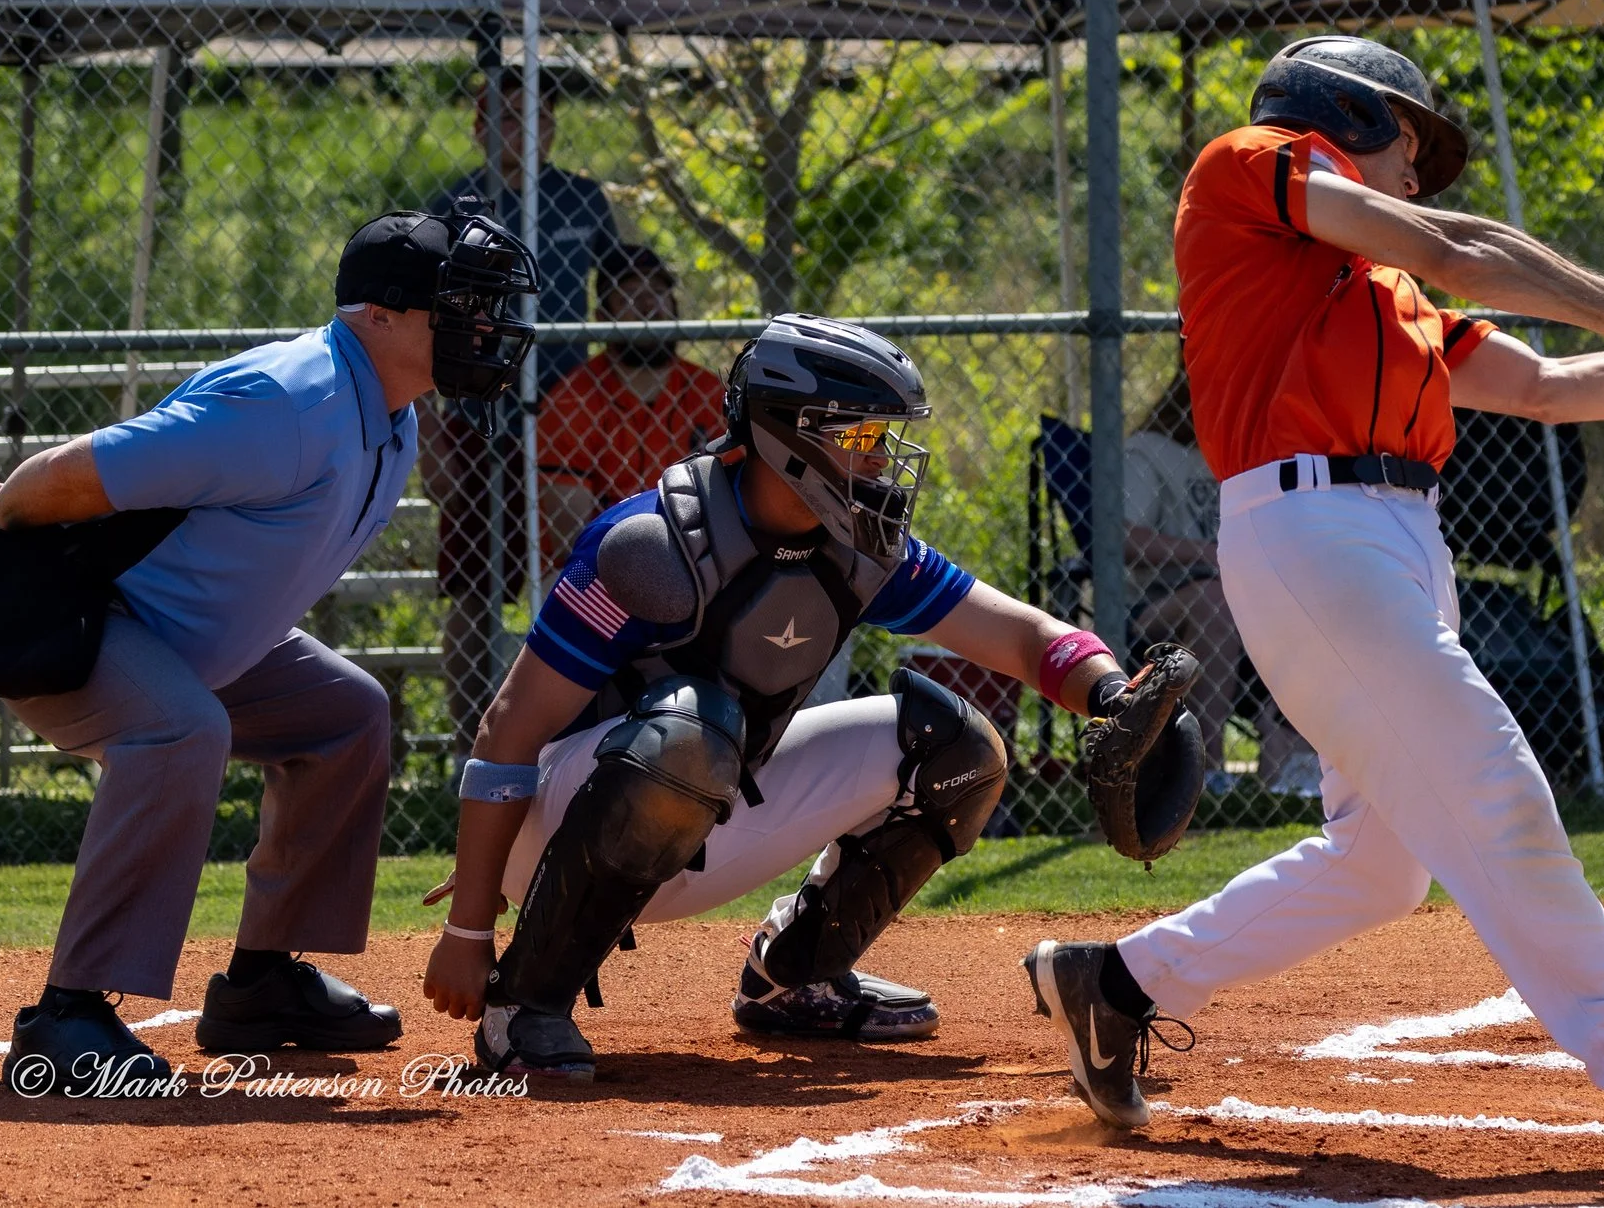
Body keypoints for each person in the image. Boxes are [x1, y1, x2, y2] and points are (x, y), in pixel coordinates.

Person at [1019, 35, 1604, 1171]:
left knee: (1378, 866)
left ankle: (1113, 983)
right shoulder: (1245, 166)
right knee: (1490, 779)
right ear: (1343, 115)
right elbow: (1459, 244)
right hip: (1307, 530)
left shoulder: (1389, 299)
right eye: (1409, 144)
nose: (1416, 177)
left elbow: (1551, 387)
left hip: (1399, 546)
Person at [419, 315, 1168, 1082]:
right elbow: (510, 729)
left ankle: (792, 974)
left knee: (960, 751)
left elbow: (1017, 636)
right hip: (555, 830)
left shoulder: (860, 544)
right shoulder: (656, 543)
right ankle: (528, 1003)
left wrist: (1112, 692)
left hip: (705, 791)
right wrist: (470, 927)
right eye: (862, 438)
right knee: (690, 733)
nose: (881, 461)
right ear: (789, 437)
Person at [0, 204, 541, 1094]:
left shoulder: (393, 416)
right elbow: (67, 475)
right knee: (182, 729)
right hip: (77, 629)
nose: (483, 328)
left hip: (189, 638)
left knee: (347, 715)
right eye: (460, 306)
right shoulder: (291, 402)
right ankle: (67, 1014)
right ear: (378, 315)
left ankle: (260, 986)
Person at [425, 69, 633, 752]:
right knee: (476, 588)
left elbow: (627, 289)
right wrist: (431, 433)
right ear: (480, 126)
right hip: (484, 422)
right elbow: (422, 324)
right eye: (508, 116)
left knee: (595, 581)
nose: (525, 130)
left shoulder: (582, 200)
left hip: (577, 426)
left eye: (538, 116)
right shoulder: (454, 207)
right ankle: (467, 745)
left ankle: (583, 736)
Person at [1122, 370, 1318, 794]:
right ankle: (1206, 765)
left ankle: (1294, 754)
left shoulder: (1238, 460)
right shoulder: (1147, 452)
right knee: (1217, 601)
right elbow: (1126, 539)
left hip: (1241, 595)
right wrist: (1211, 556)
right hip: (1154, 605)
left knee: (1310, 597)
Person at [536, 244, 729, 561]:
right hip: (598, 568)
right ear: (603, 316)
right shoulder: (572, 398)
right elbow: (569, 536)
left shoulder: (710, 393)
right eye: (629, 292)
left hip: (702, 562)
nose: (648, 303)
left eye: (658, 289)